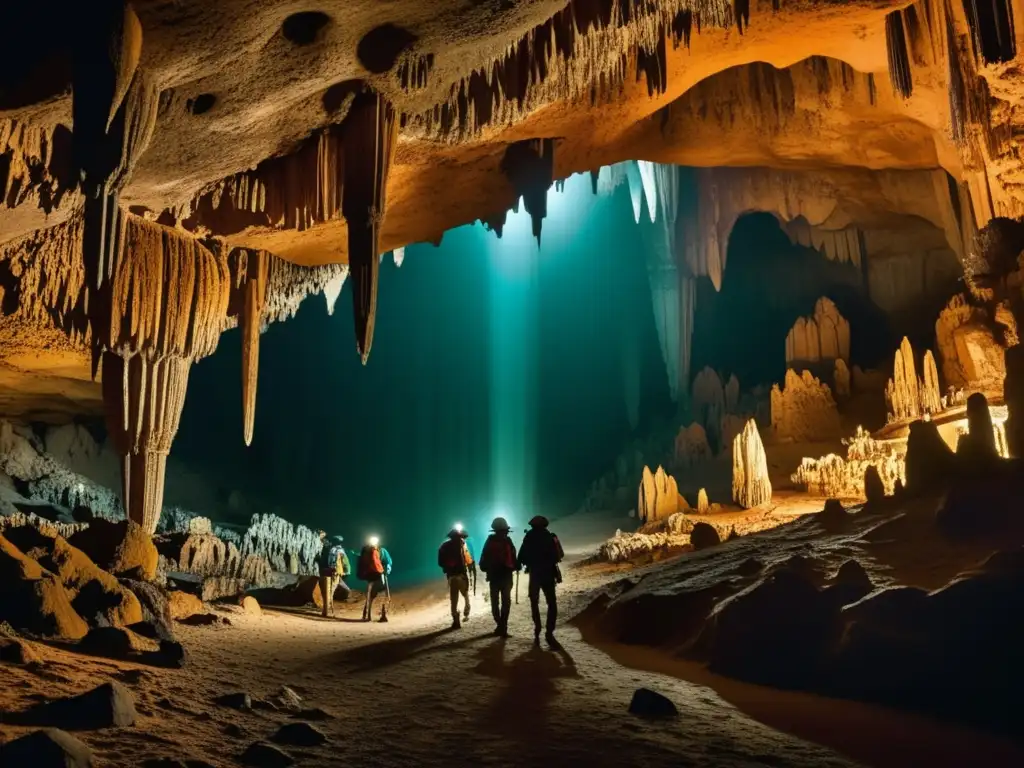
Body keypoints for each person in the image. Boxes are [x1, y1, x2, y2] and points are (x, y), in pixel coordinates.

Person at [517, 515, 564, 644]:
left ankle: (537, 627)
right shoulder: (550, 536)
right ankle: (549, 631)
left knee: (534, 601)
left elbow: (521, 557)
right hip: (548, 573)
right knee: (551, 603)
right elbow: (559, 555)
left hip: (535, 575)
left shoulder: (529, 537)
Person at [478, 516, 519, 637]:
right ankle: (503, 627)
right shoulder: (508, 541)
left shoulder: (489, 541)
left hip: (494, 577)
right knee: (506, 602)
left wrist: (487, 569)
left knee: (495, 603)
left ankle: (500, 625)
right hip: (507, 577)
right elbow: (514, 558)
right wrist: (516, 566)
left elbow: (483, 561)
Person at [438, 527, 472, 629]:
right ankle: (467, 609)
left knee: (454, 599)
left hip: (451, 577)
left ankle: (456, 620)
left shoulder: (444, 546)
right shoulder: (462, 545)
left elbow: (440, 562)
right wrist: (470, 565)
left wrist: (447, 567)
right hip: (462, 576)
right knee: (465, 594)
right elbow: (469, 560)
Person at [357, 536, 392, 622]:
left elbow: (361, 562)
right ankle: (382, 615)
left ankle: (366, 615)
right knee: (382, 594)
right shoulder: (381, 551)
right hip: (379, 574)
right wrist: (387, 569)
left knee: (370, 595)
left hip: (370, 575)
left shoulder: (366, 551)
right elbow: (388, 561)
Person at [317, 532, 351, 618]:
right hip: (335, 572)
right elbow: (346, 563)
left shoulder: (328, 549)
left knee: (325, 591)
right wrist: (346, 571)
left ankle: (326, 610)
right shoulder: (341, 551)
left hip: (326, 571)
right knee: (330, 591)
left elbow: (323, 559)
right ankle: (326, 610)